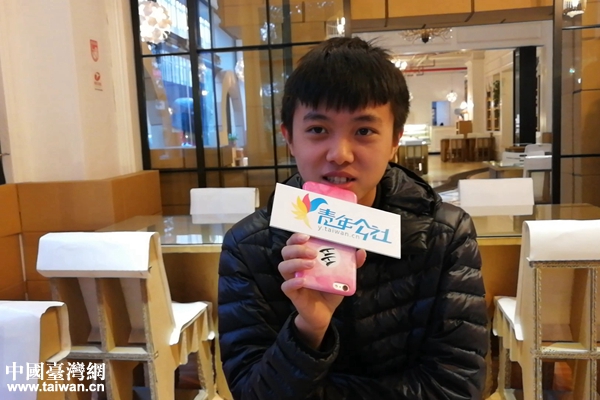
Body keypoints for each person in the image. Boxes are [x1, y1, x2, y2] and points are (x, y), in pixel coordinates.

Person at [218, 37, 488, 399]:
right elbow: (252, 393)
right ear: (290, 138)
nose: (340, 154)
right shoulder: (247, 246)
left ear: (395, 141)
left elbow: (456, 387)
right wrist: (308, 330)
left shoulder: (446, 234)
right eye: (318, 130)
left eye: (364, 131)